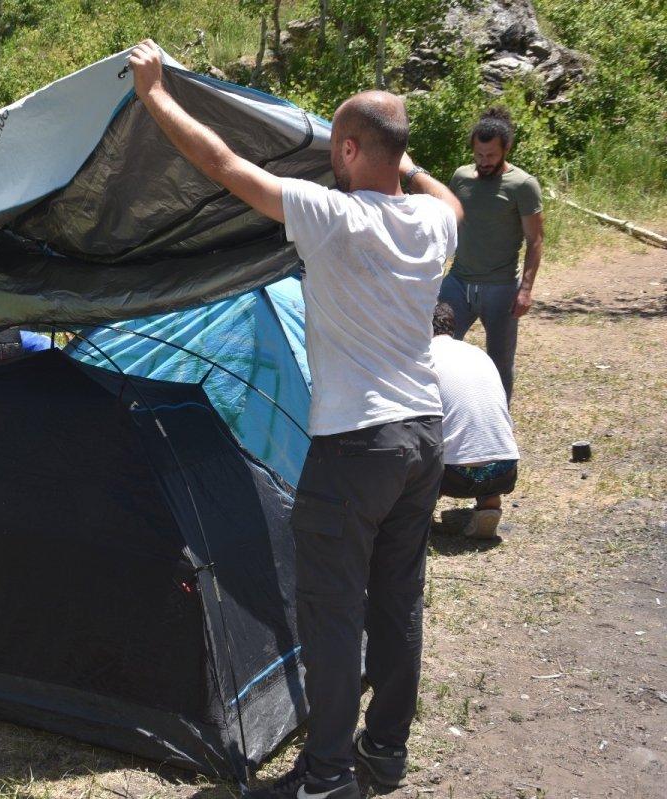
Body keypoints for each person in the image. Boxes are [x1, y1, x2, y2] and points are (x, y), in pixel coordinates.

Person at [126, 41, 461, 799]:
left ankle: (327, 776)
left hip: (356, 443)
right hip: (422, 436)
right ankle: (383, 753)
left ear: (346, 149)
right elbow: (453, 202)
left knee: (334, 613)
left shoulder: (334, 217)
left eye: (338, 151)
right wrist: (404, 165)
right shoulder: (430, 226)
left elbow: (224, 166)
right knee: (399, 599)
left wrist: (155, 95)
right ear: (400, 155)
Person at [438, 107, 544, 402]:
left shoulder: (523, 185)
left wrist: (525, 290)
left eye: (491, 156)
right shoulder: (461, 177)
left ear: (506, 149)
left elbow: (535, 240)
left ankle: (499, 422)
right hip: (457, 282)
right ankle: (439, 413)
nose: (484, 162)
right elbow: (448, 224)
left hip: (500, 288)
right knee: (432, 347)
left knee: (500, 362)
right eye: (479, 155)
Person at [430, 302, 520, 539]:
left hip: (455, 477)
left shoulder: (424, 360)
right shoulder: (478, 353)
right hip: (504, 469)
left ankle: (421, 514)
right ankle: (489, 506)